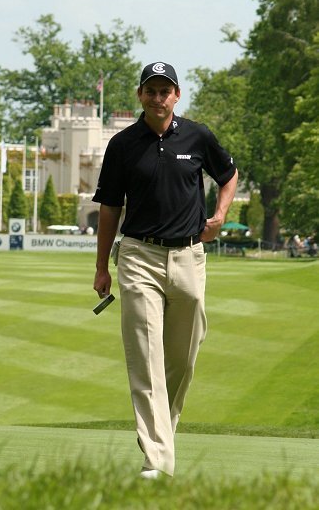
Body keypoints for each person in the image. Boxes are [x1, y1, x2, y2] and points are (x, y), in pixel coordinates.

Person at [92, 62, 238, 479]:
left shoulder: (198, 135)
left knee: (182, 359)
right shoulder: (122, 144)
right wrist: (101, 267)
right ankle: (158, 460)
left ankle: (162, 437)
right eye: (151, 90)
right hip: (139, 257)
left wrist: (220, 215)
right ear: (140, 95)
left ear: (177, 96)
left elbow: (228, 175)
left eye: (165, 91)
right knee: (146, 357)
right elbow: (109, 208)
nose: (158, 98)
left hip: (190, 258)